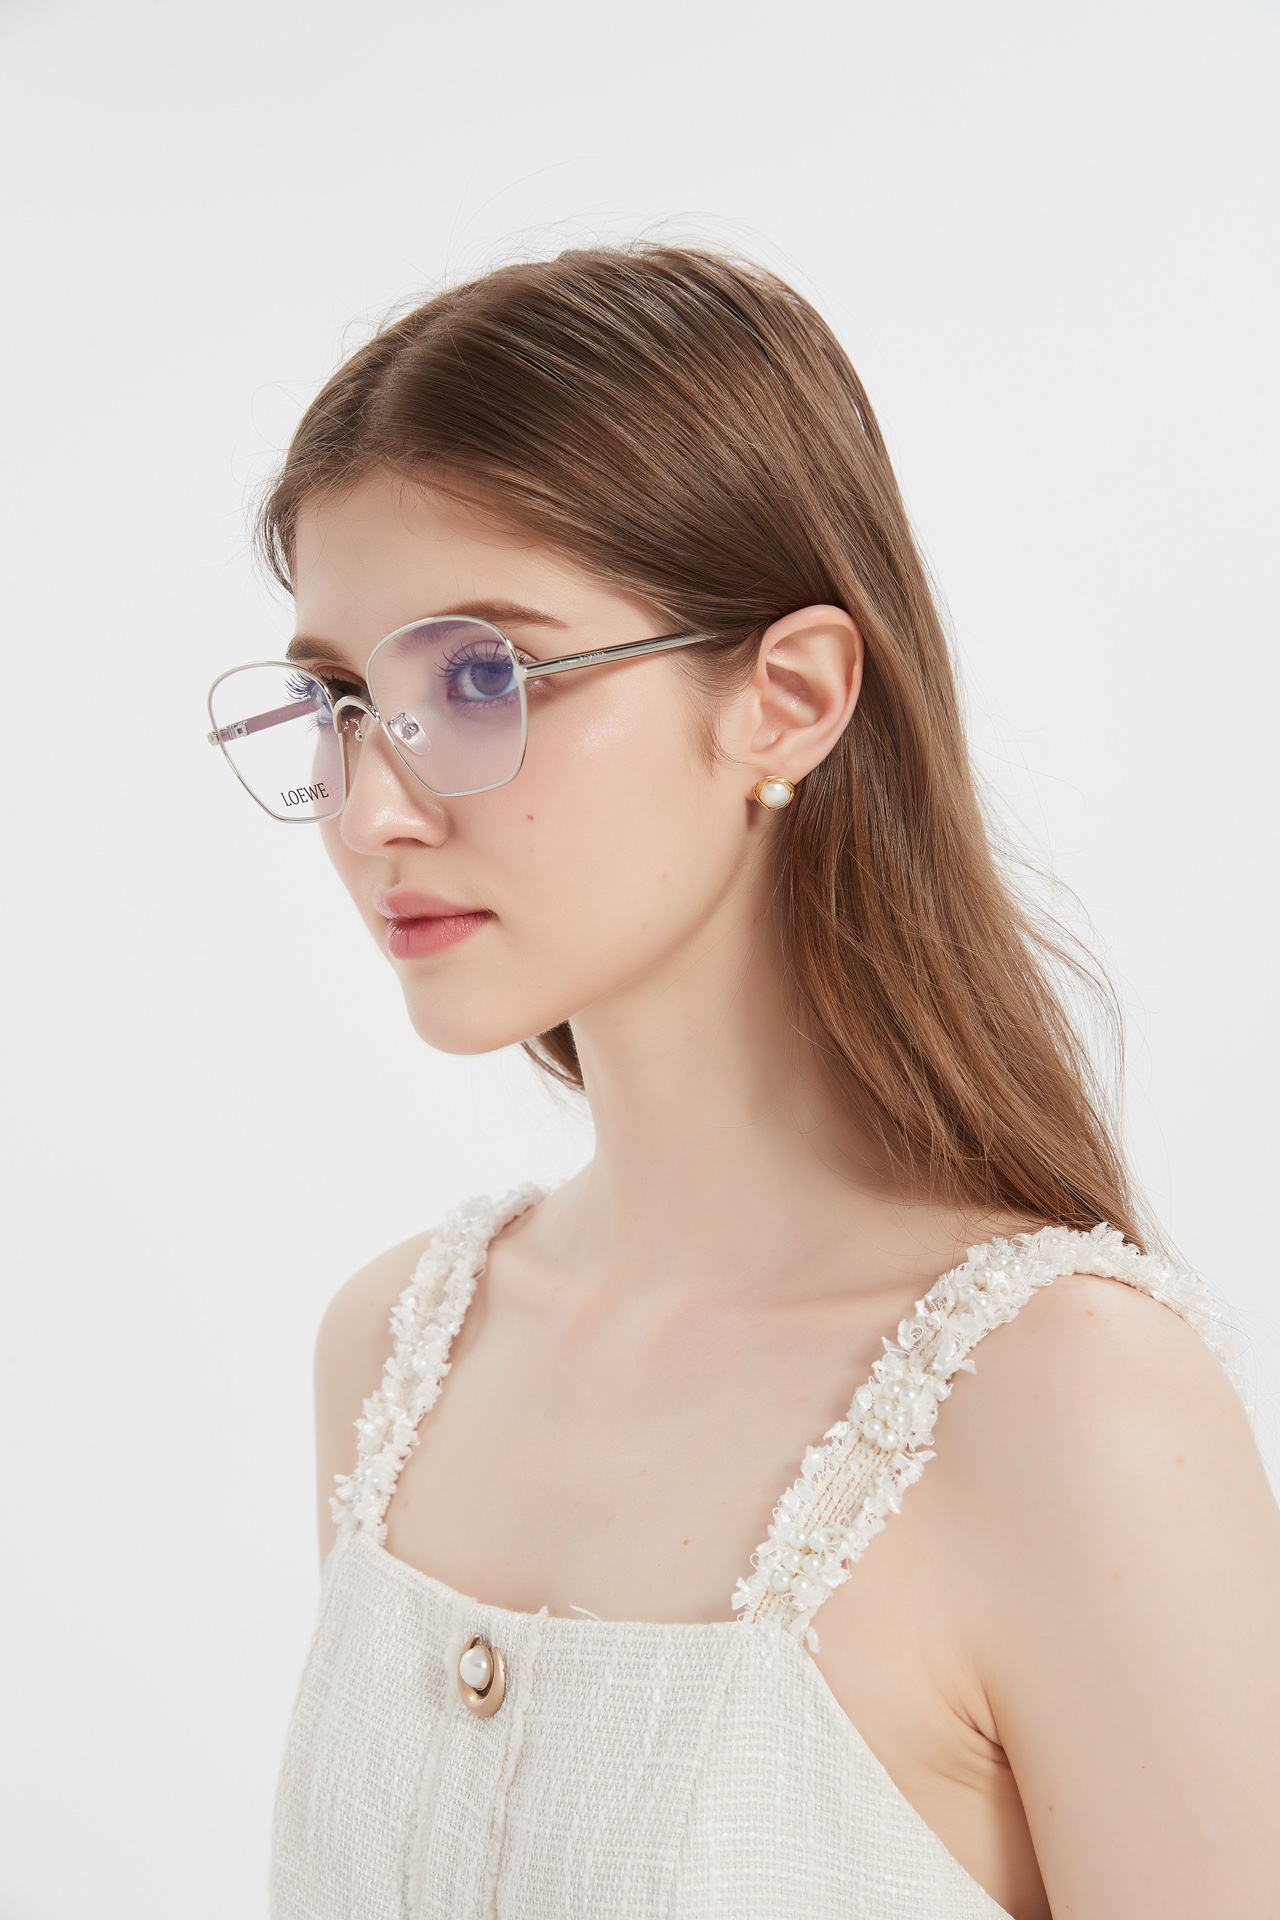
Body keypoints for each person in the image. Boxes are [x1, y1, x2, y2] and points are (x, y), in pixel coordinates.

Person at [206, 246, 1280, 1920]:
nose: (374, 808)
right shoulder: (397, 1349)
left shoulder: (1070, 1407)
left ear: (789, 700)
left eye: (479, 680)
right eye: (343, 701)